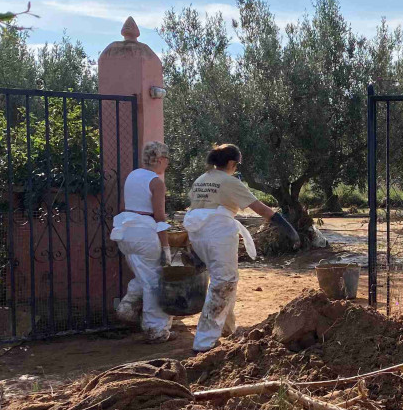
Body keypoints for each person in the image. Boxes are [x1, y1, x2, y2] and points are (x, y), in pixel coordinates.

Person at [185, 144, 300, 353]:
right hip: (218, 231)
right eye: (236, 165)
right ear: (231, 163)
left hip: (196, 233)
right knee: (224, 282)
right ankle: (204, 342)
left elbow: (197, 208)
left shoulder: (201, 179)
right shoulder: (229, 181)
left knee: (226, 279)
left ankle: (227, 329)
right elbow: (261, 209)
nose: (236, 169)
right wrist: (289, 229)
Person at [110, 141, 174, 342]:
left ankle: (127, 306)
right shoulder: (156, 182)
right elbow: (160, 217)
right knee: (155, 281)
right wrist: (166, 246)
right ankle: (155, 329)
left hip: (124, 232)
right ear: (161, 160)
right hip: (145, 233)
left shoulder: (132, 175)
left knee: (144, 273)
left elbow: (124, 205)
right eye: (167, 161)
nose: (167, 165)